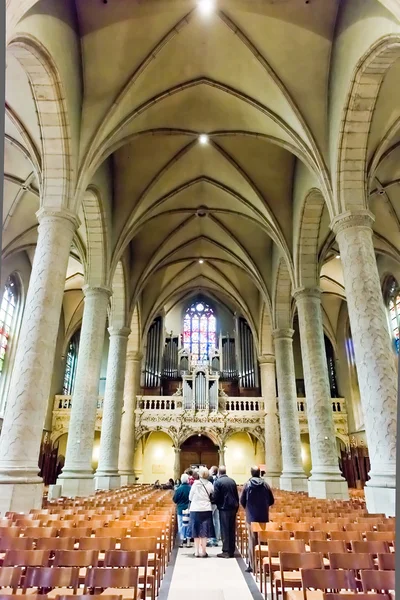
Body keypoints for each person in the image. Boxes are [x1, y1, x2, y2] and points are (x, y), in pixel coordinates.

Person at [240, 465, 274, 572]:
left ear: (251, 473)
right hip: (263, 516)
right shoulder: (265, 485)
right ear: (259, 473)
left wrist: (248, 508)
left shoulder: (247, 484)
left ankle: (253, 565)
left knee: (252, 540)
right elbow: (271, 500)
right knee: (263, 541)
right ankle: (264, 565)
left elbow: (242, 500)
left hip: (251, 517)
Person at [188, 466, 215, 558]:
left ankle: (196, 551)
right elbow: (212, 495)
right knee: (204, 531)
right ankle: (203, 551)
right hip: (206, 509)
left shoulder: (195, 484)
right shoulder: (210, 484)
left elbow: (190, 497)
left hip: (195, 509)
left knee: (196, 531)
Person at [212, 466, 239, 558]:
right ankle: (232, 550)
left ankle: (226, 551)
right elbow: (236, 495)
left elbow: (216, 497)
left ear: (219, 473)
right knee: (231, 529)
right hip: (233, 507)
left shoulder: (218, 482)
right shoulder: (232, 481)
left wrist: (212, 501)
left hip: (224, 508)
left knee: (225, 530)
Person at [173, 473, 191, 548]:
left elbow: (174, 499)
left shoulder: (179, 489)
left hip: (180, 509)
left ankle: (181, 540)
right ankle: (188, 541)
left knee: (181, 525)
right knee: (188, 524)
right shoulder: (190, 488)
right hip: (189, 508)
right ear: (187, 480)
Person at [207, 465, 220, 547]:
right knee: (217, 520)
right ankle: (217, 538)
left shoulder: (210, 479)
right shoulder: (218, 479)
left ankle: (211, 538)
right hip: (217, 502)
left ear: (212, 471)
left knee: (210, 520)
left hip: (211, 502)